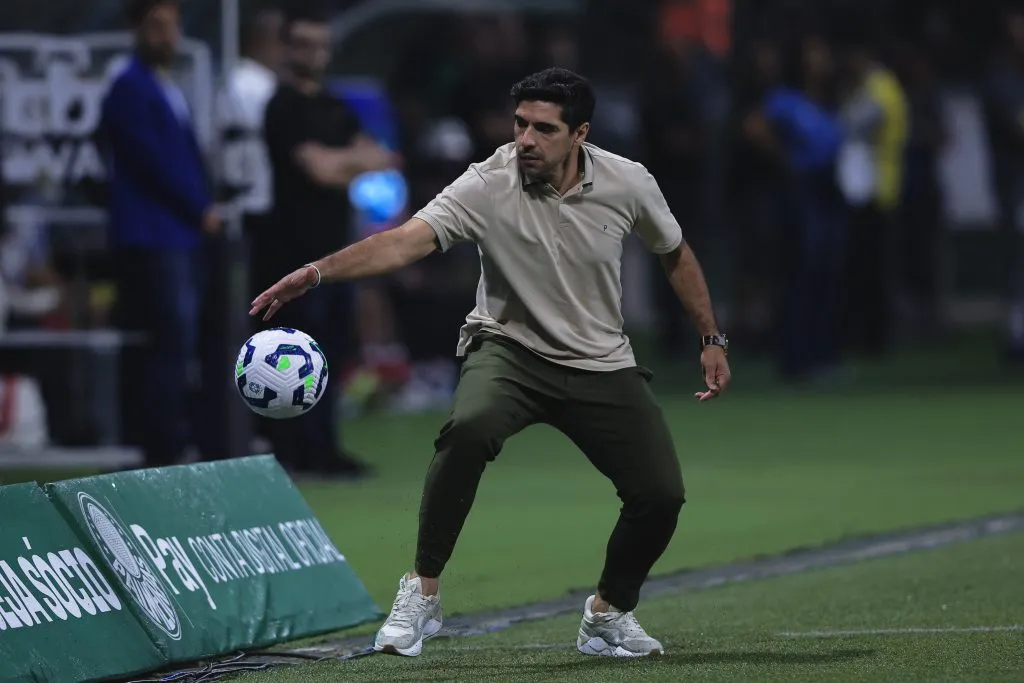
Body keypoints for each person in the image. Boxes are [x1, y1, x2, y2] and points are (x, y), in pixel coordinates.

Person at [250, 68, 731, 658]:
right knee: (469, 427)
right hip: (509, 350)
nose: (527, 139)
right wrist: (316, 272)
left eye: (544, 129)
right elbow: (405, 240)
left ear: (579, 133)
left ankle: (607, 613)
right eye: (520, 124)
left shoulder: (628, 182)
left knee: (661, 495)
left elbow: (674, 251)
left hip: (601, 361)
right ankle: (422, 591)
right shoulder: (487, 182)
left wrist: (712, 337)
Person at [257, 2, 395, 478]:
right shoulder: (282, 106)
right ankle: (290, 454)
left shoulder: (334, 106)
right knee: (290, 355)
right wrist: (347, 162)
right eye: (304, 44)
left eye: (321, 45)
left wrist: (339, 162)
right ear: (287, 47)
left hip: (336, 252)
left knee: (332, 352)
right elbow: (318, 170)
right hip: (289, 251)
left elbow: (384, 159)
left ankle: (325, 450)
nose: (314, 54)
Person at [101, 0, 220, 468]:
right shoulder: (129, 87)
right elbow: (153, 164)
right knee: (167, 347)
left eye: (172, 26)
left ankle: (175, 441)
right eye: (157, 27)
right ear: (135, 28)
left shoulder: (163, 86)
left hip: (178, 236)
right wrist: (200, 208)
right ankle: (161, 450)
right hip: (156, 236)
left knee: (179, 346)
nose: (167, 36)